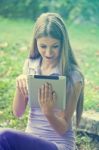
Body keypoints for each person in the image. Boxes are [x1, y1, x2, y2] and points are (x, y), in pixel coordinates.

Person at [0, 12, 84, 150]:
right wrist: (20, 85)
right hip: (31, 139)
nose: (49, 53)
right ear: (36, 42)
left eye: (55, 46)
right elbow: (18, 112)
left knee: (4, 136)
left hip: (58, 145)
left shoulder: (74, 77)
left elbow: (63, 128)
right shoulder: (30, 65)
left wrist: (48, 112)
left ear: (63, 44)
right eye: (43, 46)